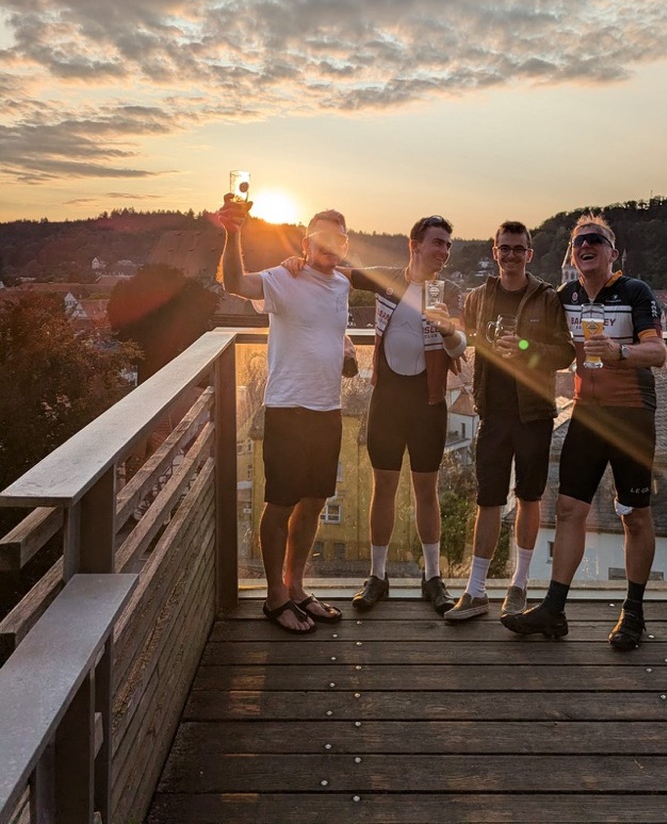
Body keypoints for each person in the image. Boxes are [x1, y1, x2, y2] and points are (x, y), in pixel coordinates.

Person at [501, 213, 667, 650]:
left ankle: (633, 612)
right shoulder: (564, 296)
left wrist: (619, 352)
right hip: (587, 414)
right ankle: (554, 610)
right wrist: (517, 347)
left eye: (596, 240)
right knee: (571, 511)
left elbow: (658, 351)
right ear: (571, 256)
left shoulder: (634, 292)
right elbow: (550, 349)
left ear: (614, 253)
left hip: (631, 414)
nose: (586, 246)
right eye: (578, 243)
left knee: (634, 516)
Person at [218, 199, 354, 634]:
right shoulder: (283, 277)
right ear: (306, 242)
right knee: (280, 505)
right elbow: (235, 282)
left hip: (328, 408)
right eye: (321, 238)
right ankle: (274, 598)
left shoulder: (343, 286)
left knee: (314, 503)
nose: (330, 246)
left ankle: (296, 588)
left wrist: (346, 348)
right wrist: (233, 232)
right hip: (288, 408)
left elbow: (328, 328)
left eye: (338, 238)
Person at [444, 221, 575, 622]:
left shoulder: (546, 297)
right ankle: (476, 590)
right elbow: (464, 343)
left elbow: (565, 352)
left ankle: (518, 585)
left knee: (529, 499)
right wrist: (448, 335)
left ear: (529, 254)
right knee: (488, 500)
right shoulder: (477, 298)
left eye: (520, 249)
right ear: (494, 252)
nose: (513, 255)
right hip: (493, 413)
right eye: (506, 248)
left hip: (533, 412)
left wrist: (523, 348)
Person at [349, 215, 467, 616]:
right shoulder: (386, 278)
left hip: (428, 401)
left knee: (425, 491)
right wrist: (299, 261)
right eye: (438, 243)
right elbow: (335, 273)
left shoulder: (446, 291)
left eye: (448, 245)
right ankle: (377, 576)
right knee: (383, 489)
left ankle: (432, 577)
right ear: (414, 244)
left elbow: (460, 346)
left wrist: (448, 329)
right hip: (386, 399)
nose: (444, 252)